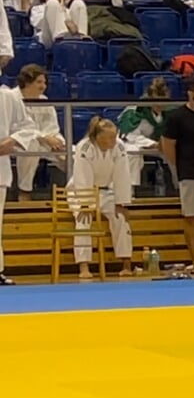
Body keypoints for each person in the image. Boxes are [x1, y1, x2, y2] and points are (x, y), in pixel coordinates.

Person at [68, 117, 136, 279]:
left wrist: (121, 202)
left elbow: (122, 175)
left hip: (107, 191)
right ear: (98, 137)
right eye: (110, 137)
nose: (114, 139)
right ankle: (84, 266)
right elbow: (82, 177)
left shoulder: (119, 147)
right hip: (80, 192)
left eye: (115, 135)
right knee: (83, 221)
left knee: (120, 218)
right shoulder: (84, 147)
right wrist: (86, 205)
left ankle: (126, 263)